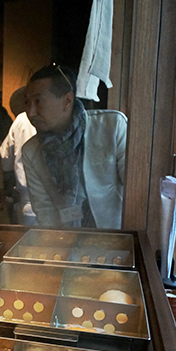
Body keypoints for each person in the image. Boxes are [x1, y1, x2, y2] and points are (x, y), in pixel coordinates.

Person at [22, 64, 127, 228]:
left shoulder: (112, 127)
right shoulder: (31, 151)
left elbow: (135, 192)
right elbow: (44, 210)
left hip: (114, 236)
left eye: (38, 101)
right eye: (27, 103)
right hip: (67, 240)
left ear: (67, 101)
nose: (31, 112)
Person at [0, 87, 38, 225]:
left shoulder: (21, 120)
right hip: (59, 203)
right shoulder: (56, 119)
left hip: (28, 201)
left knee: (30, 244)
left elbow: (5, 160)